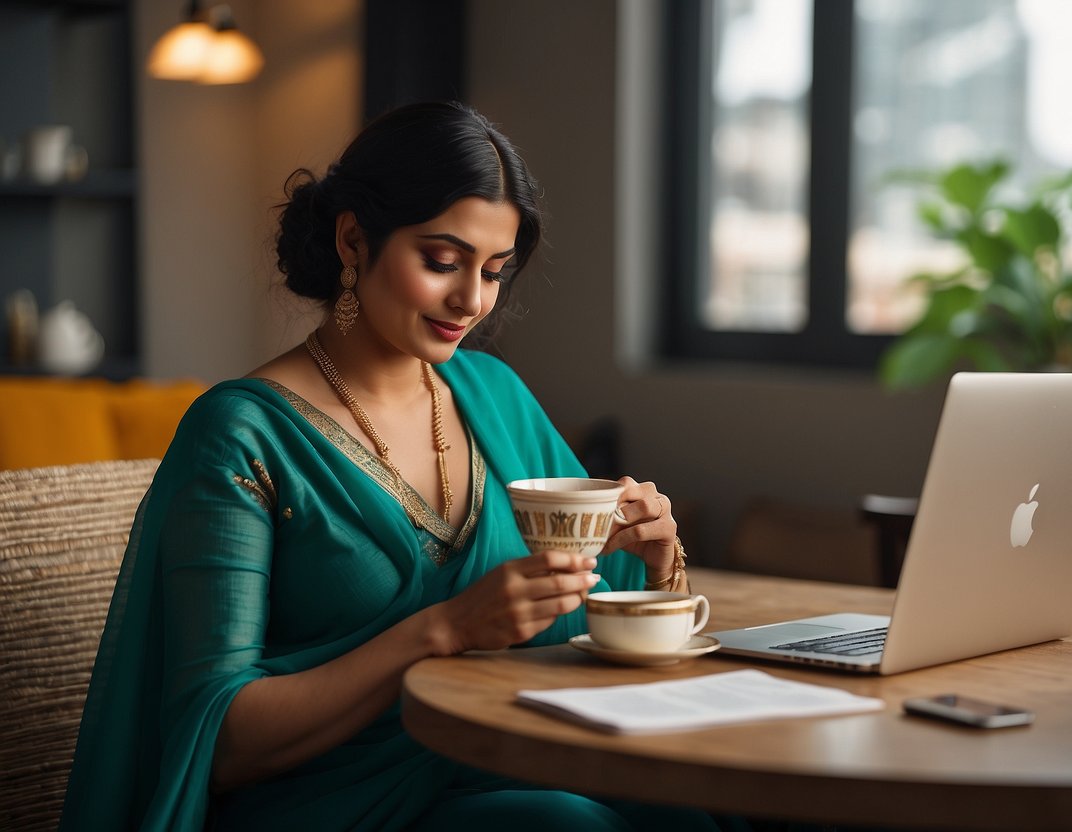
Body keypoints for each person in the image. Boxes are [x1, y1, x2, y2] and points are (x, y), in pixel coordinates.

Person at [58, 101, 721, 831]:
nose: (470, 300)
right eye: (441, 261)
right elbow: (220, 742)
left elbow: (596, 618)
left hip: (498, 758)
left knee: (703, 808)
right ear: (352, 239)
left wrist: (658, 559)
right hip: (325, 801)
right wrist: (443, 629)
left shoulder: (494, 396)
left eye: (493, 271)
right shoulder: (241, 435)